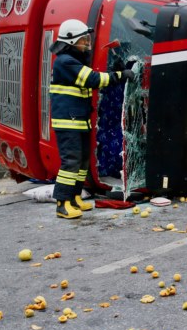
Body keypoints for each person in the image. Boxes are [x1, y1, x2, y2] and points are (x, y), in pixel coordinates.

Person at [49, 19, 134, 219]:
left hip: (78, 120)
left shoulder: (73, 61)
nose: (87, 44)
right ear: (70, 42)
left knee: (82, 162)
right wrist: (120, 75)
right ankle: (62, 203)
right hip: (68, 122)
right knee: (71, 163)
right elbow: (93, 80)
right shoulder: (65, 62)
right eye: (83, 40)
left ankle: (75, 197)